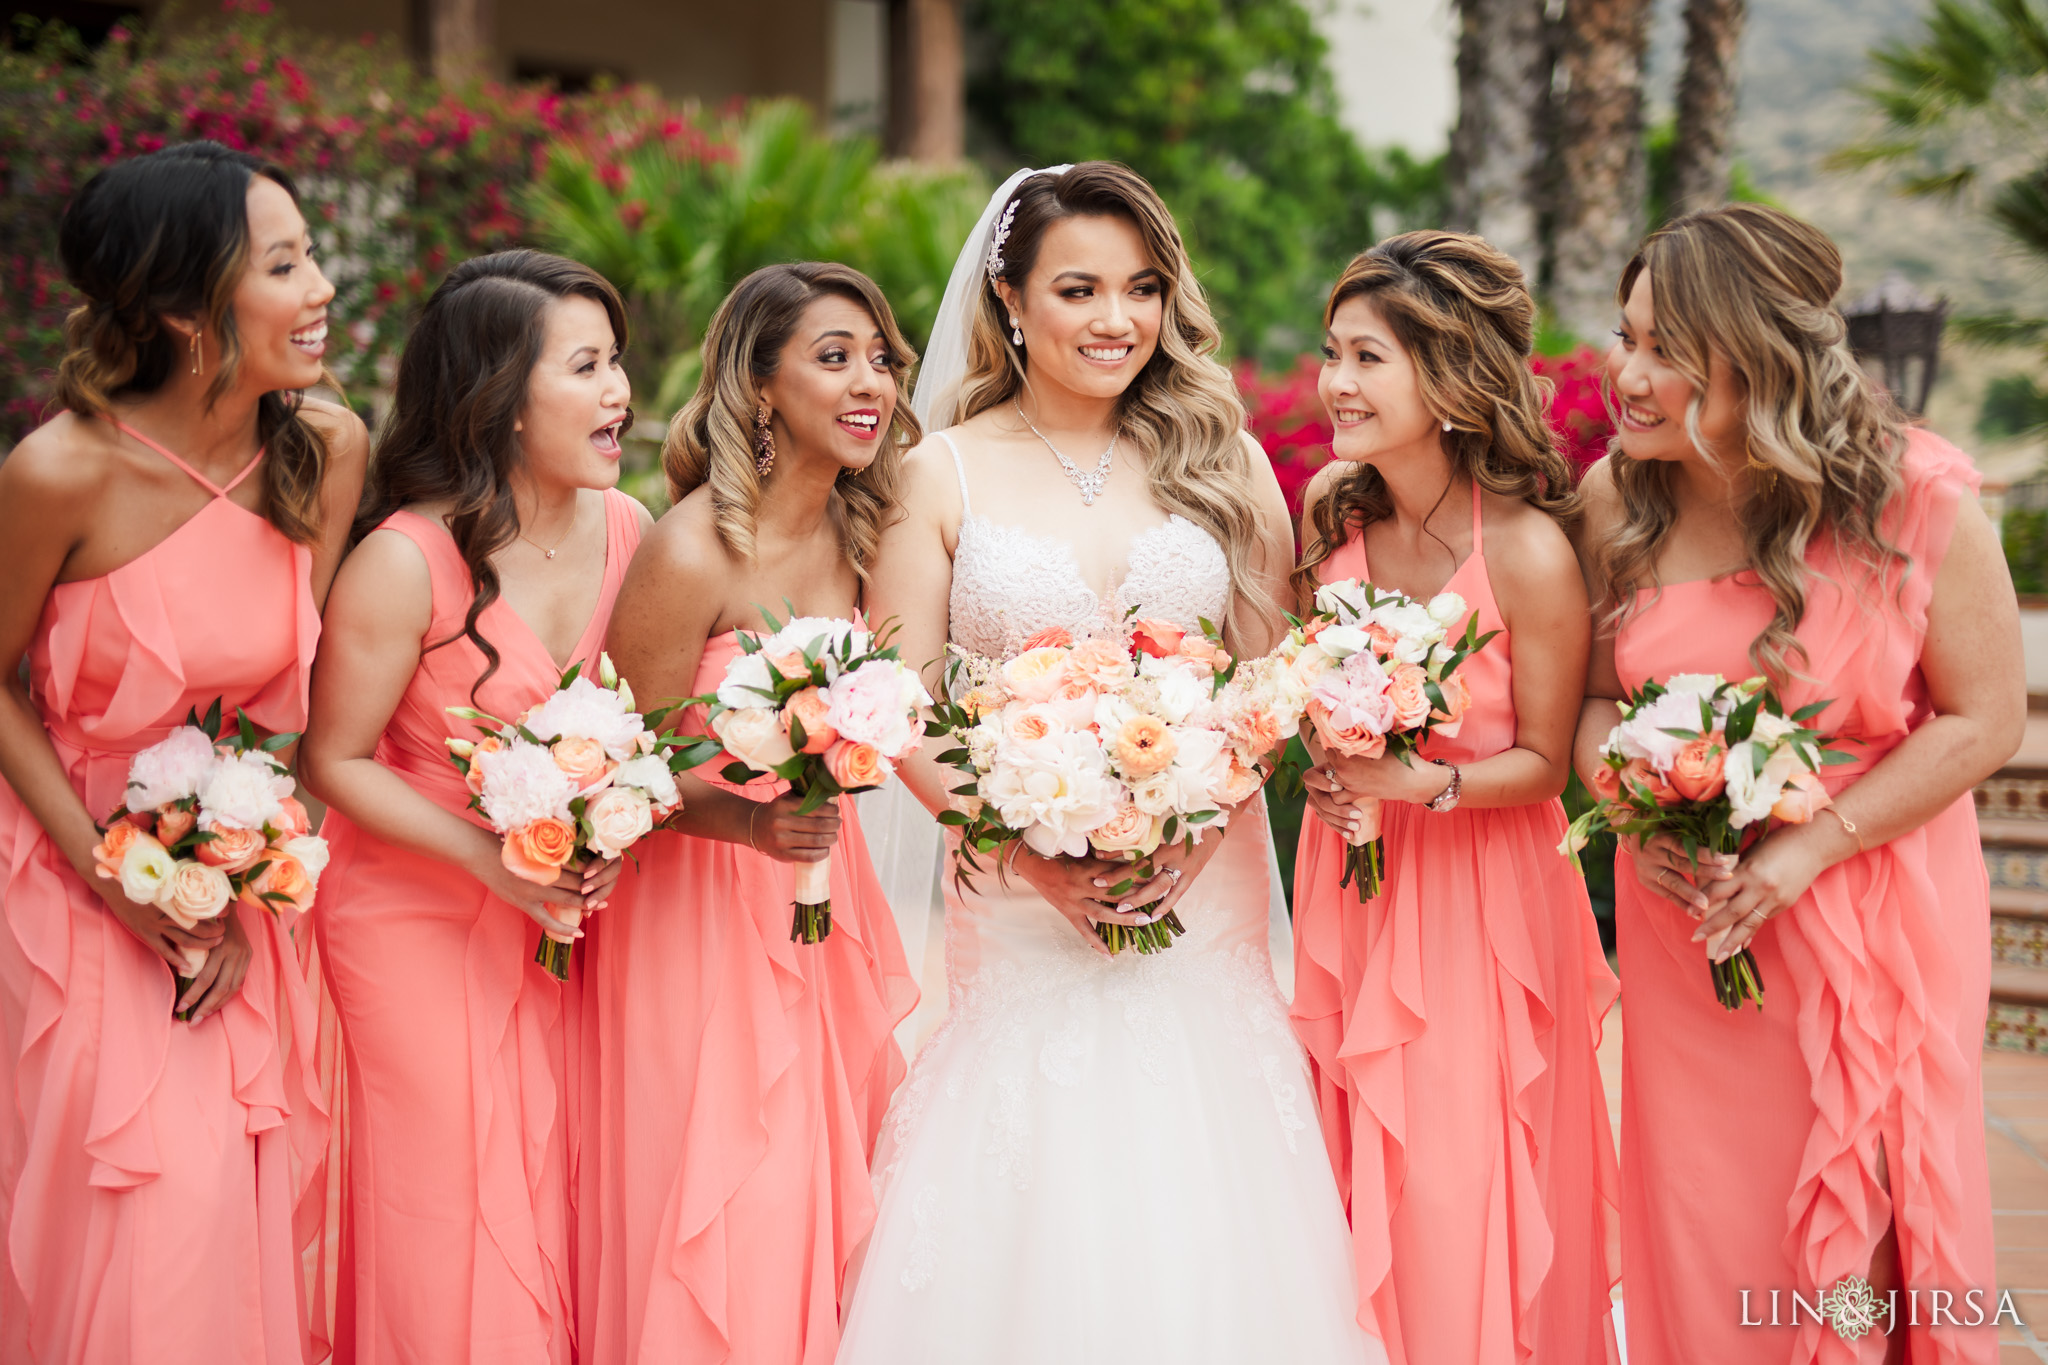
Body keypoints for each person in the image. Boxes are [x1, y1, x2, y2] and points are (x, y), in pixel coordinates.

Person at [836, 161, 1378, 1364]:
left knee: (1210, 1180)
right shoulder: (939, 473)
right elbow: (899, 699)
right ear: (1010, 298)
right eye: (1077, 289)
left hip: (1206, 886)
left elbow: (1271, 675)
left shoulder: (1220, 458)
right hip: (1012, 899)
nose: (1114, 319)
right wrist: (1027, 854)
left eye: (1140, 288)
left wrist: (1193, 818)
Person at [1573, 203, 2021, 1364]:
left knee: (1860, 1219)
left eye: (1663, 348)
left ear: (1752, 356)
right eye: (1623, 337)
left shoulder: (1914, 499)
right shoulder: (1614, 504)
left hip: (1869, 902)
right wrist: (1634, 811)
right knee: (1706, 1218)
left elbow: (1981, 719)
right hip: (1693, 921)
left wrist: (1811, 846)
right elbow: (1590, 707)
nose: (1627, 374)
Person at [0, 141, 364, 1363]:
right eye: (283, 263)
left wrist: (250, 876)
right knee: (136, 1209)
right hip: (65, 879)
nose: (320, 286)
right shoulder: (60, 472)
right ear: (182, 311)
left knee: (230, 1218)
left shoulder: (325, 450)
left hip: (240, 882)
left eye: (311, 253)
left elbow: (295, 715)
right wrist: (105, 871)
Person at [299, 249, 646, 1364]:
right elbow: (332, 759)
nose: (619, 393)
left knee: (554, 1187)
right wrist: (489, 860)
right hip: (414, 918)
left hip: (567, 920)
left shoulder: (631, 532)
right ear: (498, 398)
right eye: (585, 366)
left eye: (617, 363)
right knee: (446, 1205)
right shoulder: (404, 561)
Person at [1290, 231, 1622, 1365]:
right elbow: (1308, 698)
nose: (1333, 382)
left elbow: (1544, 759)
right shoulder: (1331, 526)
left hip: (1480, 894)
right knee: (1345, 1156)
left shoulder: (1528, 550)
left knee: (1452, 1170)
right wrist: (1329, 767)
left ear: (1448, 377)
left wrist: (1419, 785)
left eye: (1367, 358)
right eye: (1330, 352)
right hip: (1351, 884)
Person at [587, 262, 918, 1365]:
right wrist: (744, 825)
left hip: (823, 893)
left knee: (829, 1172)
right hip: (701, 909)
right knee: (734, 1179)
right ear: (759, 386)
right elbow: (622, 764)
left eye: (879, 358)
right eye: (833, 358)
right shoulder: (688, 549)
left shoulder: (867, 537)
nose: (868, 380)